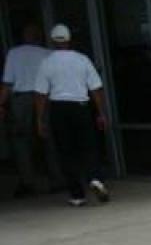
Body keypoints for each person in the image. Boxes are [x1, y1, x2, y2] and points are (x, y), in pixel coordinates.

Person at [34, 23, 109, 206]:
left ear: (52, 41)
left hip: (59, 109)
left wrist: (40, 119)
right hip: (81, 107)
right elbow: (96, 89)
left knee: (66, 152)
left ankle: (77, 195)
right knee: (89, 146)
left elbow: (41, 94)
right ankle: (94, 178)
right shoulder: (82, 59)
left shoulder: (47, 62)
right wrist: (101, 113)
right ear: (69, 40)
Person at [0, 22, 61, 198]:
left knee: (21, 142)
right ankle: (56, 179)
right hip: (44, 96)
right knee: (49, 140)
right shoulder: (48, 54)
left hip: (21, 100)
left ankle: (27, 182)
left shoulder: (14, 54)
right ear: (39, 37)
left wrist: (1, 104)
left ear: (24, 37)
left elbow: (8, 83)